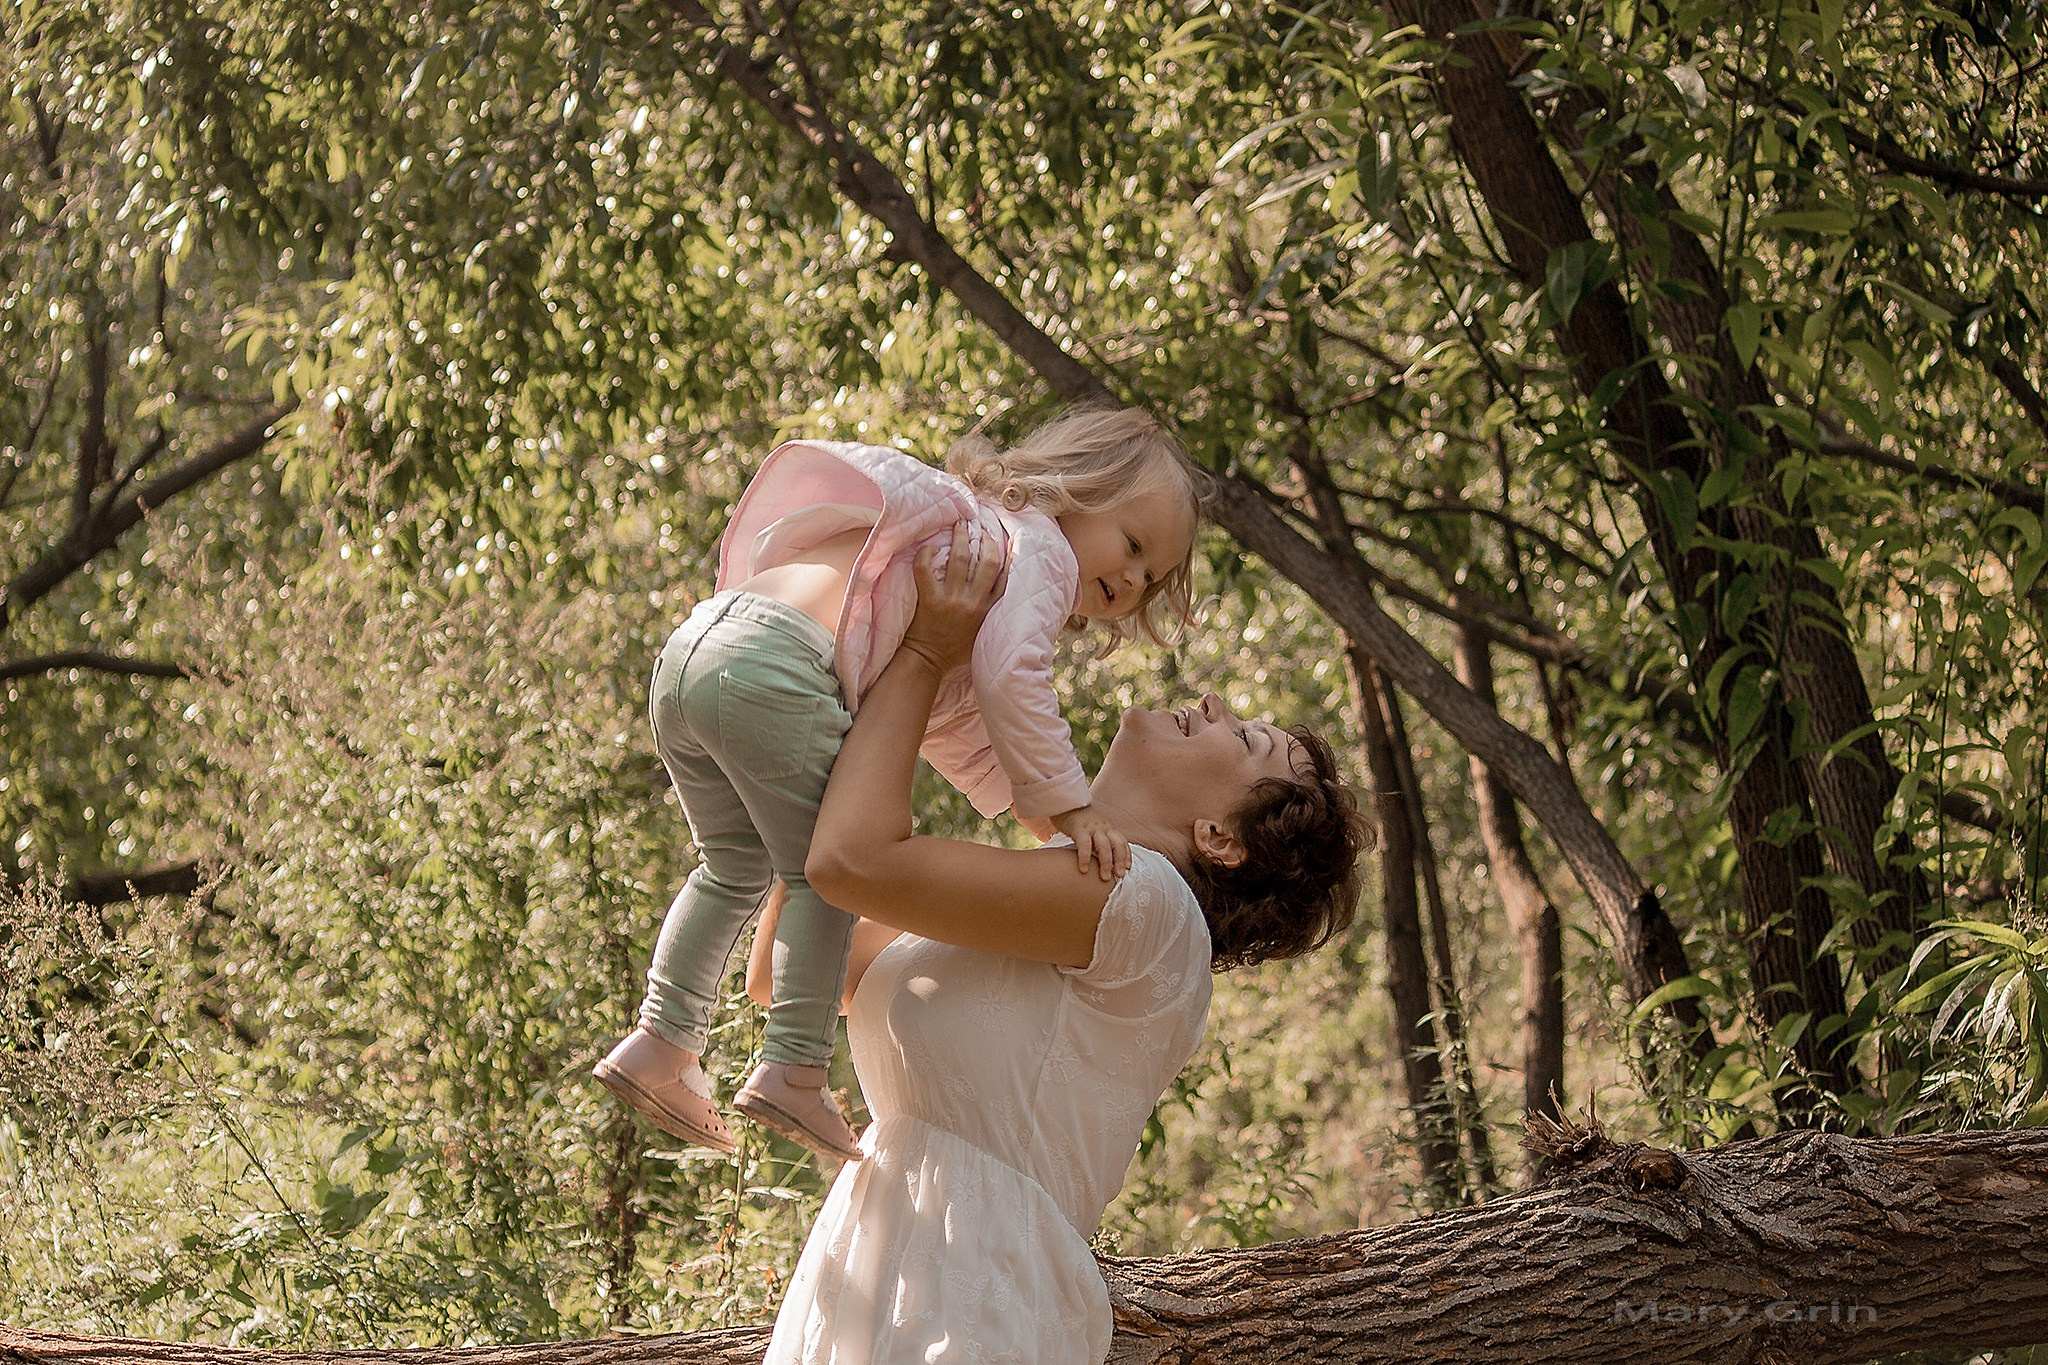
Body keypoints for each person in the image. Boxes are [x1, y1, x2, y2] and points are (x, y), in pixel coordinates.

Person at [761, 523, 1368, 1364]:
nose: (1218, 705)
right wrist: (816, 705)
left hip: (973, 1304)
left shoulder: (1143, 903)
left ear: (1221, 836)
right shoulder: (1059, 891)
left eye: (1248, 740)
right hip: (873, 1279)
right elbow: (790, 970)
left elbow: (848, 862)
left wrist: (923, 654)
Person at [596, 409, 1202, 1160]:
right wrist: (1073, 804)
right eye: (1135, 546)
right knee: (831, 873)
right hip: (784, 670)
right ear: (1078, 488)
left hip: (702, 648)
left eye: (1154, 576)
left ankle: (659, 1042)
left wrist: (1048, 821)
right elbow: (1014, 678)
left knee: (732, 866)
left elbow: (968, 734)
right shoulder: (1040, 550)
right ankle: (794, 1067)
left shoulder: (982, 536)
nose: (1135, 579)